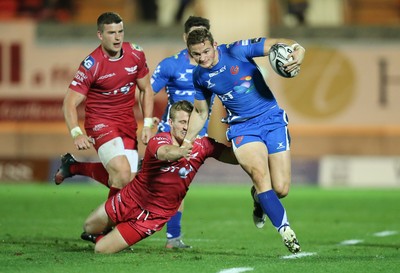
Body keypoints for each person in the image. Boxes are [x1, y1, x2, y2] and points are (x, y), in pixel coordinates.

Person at [183, 28, 306, 253]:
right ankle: (285, 230)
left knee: (281, 188)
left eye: (206, 52)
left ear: (215, 45)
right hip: (242, 127)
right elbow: (201, 112)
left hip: (272, 120)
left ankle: (258, 198)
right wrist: (186, 141)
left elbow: (279, 42)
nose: (203, 58)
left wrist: (299, 49)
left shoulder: (237, 50)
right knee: (260, 175)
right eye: (196, 55)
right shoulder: (199, 76)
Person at [79, 100, 238, 254]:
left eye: (189, 122)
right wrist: (182, 151)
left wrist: (246, 140)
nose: (186, 127)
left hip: (154, 216)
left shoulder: (203, 145)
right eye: (182, 122)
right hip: (131, 198)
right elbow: (165, 152)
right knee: (88, 227)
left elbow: (234, 157)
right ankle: (74, 168)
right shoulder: (159, 140)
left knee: (101, 249)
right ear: (170, 122)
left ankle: (115, 238)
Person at [54, 12, 154, 199]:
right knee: (122, 173)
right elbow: (69, 102)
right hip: (100, 122)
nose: (117, 37)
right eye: (111, 33)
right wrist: (76, 133)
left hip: (126, 123)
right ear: (100, 35)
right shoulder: (92, 64)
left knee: (127, 182)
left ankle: (74, 166)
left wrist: (147, 124)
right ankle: (103, 227)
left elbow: (146, 89)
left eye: (120, 31)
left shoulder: (136, 54)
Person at [151, 15, 213, 249]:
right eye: (194, 34)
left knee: (178, 186)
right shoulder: (171, 64)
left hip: (198, 134)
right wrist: (148, 122)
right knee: (167, 184)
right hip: (171, 133)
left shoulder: (215, 65)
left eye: (203, 34)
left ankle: (173, 237)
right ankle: (171, 238)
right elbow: (147, 91)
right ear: (185, 37)